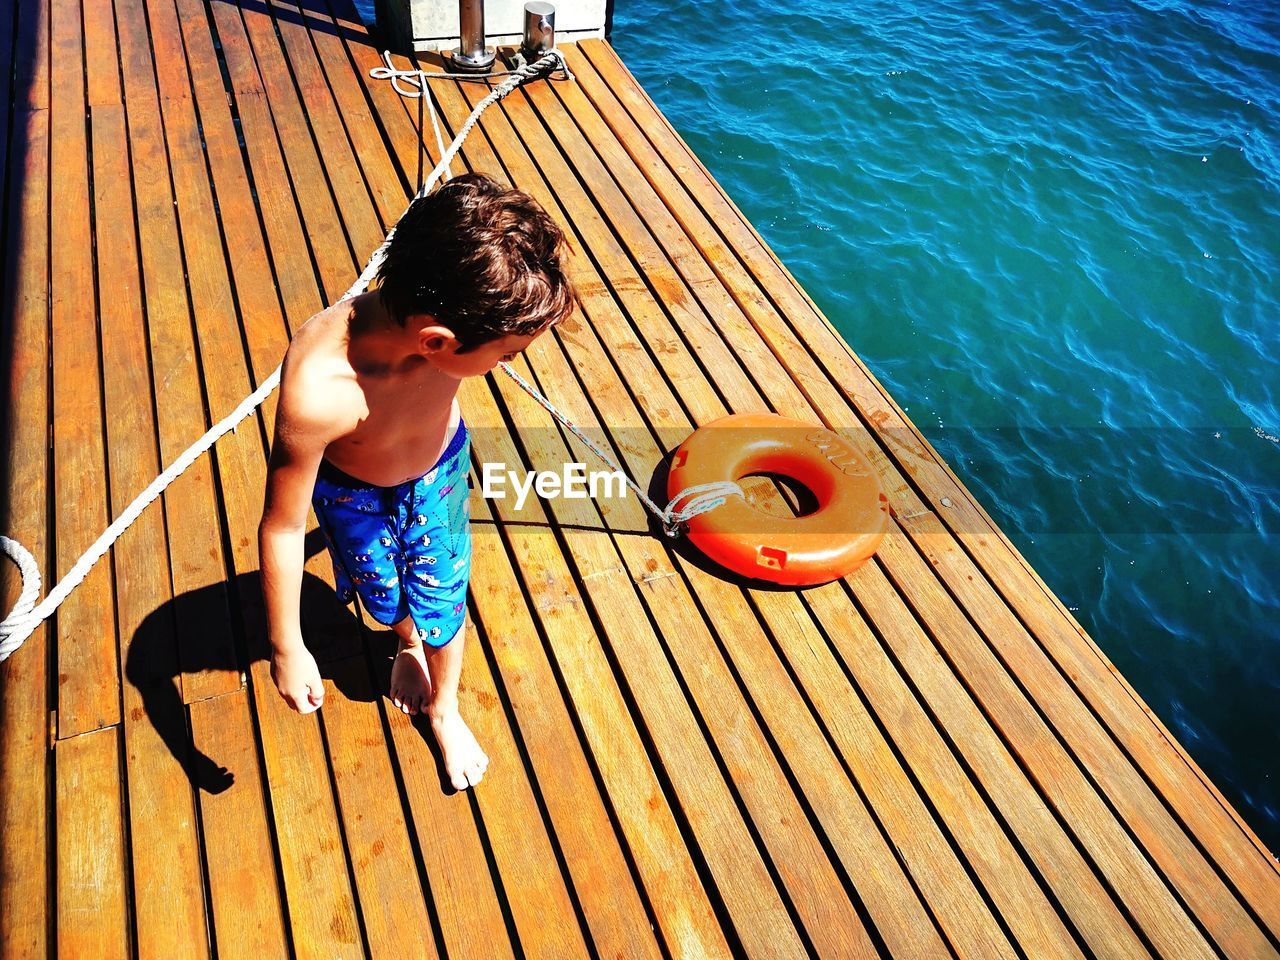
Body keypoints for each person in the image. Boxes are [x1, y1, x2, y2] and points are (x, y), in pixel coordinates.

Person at [258, 173, 575, 791]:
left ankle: (444, 706)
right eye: (507, 355)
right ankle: (405, 643)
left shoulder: (441, 318)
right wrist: (286, 645)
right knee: (384, 594)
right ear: (437, 342)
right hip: (352, 493)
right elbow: (284, 526)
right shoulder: (322, 393)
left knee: (443, 591)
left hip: (437, 470)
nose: (511, 364)